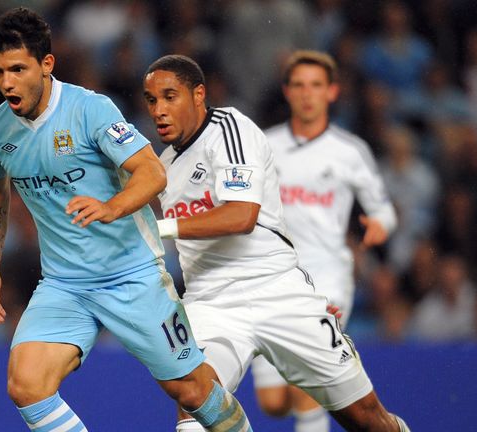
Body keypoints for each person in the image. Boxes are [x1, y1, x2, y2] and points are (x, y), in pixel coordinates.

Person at [0, 8, 253, 432]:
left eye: (17, 69)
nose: (7, 82)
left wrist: (112, 207)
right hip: (65, 284)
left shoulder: (90, 110)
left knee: (193, 392)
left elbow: (152, 172)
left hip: (132, 274)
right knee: (25, 385)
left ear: (46, 65)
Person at [143, 54, 408, 432]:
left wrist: (163, 228)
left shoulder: (230, 128)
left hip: (278, 291)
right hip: (211, 302)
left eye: (170, 96)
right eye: (151, 100)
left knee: (366, 418)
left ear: (198, 94)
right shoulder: (163, 164)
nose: (159, 110)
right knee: (194, 399)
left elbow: (241, 216)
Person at [251, 50, 399, 431]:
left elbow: (382, 208)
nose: (307, 94)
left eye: (316, 85)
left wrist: (379, 225)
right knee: (272, 402)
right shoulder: (263, 145)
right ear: (287, 92)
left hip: (328, 274)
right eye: (298, 85)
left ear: (332, 92)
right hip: (273, 276)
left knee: (308, 375)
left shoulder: (349, 151)